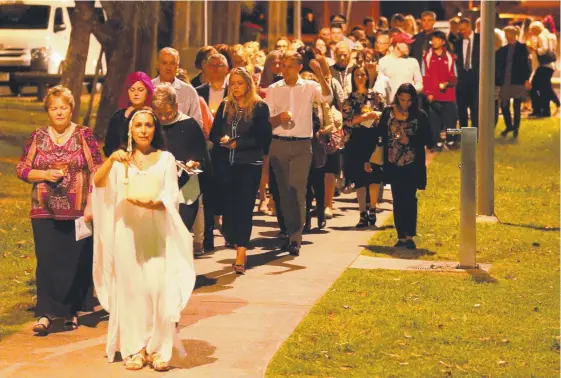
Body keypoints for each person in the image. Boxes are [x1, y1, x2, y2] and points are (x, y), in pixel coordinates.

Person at [92, 109, 195, 372]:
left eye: (148, 125)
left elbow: (172, 197)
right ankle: (134, 348)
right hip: (127, 232)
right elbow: (99, 183)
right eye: (138, 125)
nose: (143, 130)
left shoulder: (166, 159)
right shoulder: (121, 160)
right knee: (132, 291)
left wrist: (154, 203)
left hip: (156, 233)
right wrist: (110, 161)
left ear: (155, 129)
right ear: (130, 130)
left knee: (158, 290)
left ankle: (160, 348)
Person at [16, 85, 102, 335]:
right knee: (47, 260)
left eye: (63, 107)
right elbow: (22, 168)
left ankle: (71, 311)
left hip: (77, 211)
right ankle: (45, 313)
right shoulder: (37, 137)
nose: (59, 112)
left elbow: (98, 168)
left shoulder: (84, 135)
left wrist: (92, 201)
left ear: (71, 109)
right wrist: (43, 174)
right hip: (44, 210)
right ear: (48, 111)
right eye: (54, 108)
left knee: (74, 260)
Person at [266, 51, 333, 255]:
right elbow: (267, 119)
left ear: (299, 67)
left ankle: (296, 236)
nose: (284, 70)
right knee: (284, 192)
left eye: (288, 66)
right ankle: (288, 231)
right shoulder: (273, 89)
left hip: (302, 145)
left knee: (297, 189)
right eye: (282, 66)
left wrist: (320, 74)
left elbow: (328, 97)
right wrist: (280, 118)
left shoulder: (310, 86)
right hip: (279, 143)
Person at [209, 67, 272, 274]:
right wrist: (222, 140)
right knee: (229, 210)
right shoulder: (225, 106)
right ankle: (234, 237)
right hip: (226, 164)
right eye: (233, 83)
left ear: (248, 84)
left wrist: (240, 144)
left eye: (239, 83)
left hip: (249, 165)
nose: (236, 87)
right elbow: (213, 134)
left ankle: (241, 255)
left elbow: (264, 139)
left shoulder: (259, 107)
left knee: (244, 209)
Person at [378, 83, 431, 249]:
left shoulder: (419, 115)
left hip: (412, 163)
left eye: (408, 100)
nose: (405, 103)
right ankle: (401, 235)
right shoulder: (388, 113)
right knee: (397, 198)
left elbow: (428, 138)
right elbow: (379, 135)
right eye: (402, 99)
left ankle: (409, 235)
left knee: (409, 198)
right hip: (393, 162)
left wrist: (410, 140)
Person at [152, 83, 210, 232]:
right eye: (159, 114)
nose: (164, 118)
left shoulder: (189, 125)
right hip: (158, 189)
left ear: (176, 106)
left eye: (168, 113)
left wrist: (195, 163)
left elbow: (202, 156)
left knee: (180, 234)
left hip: (186, 190)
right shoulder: (151, 125)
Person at [342, 66, 383, 228]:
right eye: (357, 75)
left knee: (373, 177)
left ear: (368, 76)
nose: (360, 77)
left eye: (363, 74)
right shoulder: (350, 99)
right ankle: (362, 213)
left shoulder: (376, 96)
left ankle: (372, 209)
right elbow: (347, 121)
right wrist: (364, 117)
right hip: (356, 140)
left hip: (373, 139)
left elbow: (385, 115)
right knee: (359, 178)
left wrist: (375, 115)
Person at [421, 30, 458, 151]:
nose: (434, 41)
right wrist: (429, 93)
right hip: (433, 96)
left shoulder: (449, 56)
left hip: (449, 96)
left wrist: (447, 84)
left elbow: (454, 77)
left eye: (437, 39)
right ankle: (437, 143)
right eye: (433, 39)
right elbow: (424, 76)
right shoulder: (427, 56)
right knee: (434, 121)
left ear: (443, 42)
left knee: (451, 119)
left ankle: (451, 141)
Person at [103, 72, 154, 157]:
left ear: (148, 92)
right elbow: (109, 148)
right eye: (132, 89)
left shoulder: (154, 116)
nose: (136, 93)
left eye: (140, 90)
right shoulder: (117, 117)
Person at [496, 26, 532, 138]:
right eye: (506, 34)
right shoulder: (502, 50)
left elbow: (527, 65)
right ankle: (509, 125)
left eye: (509, 33)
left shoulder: (522, 48)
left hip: (518, 80)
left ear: (514, 34)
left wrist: (527, 79)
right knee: (504, 105)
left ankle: (516, 128)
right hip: (506, 81)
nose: (507, 36)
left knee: (517, 105)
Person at [153, 47, 202, 126]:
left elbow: (197, 123)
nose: (168, 67)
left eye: (172, 63)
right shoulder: (149, 87)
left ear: (178, 66)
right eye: (164, 63)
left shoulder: (189, 91)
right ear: (158, 65)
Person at [374, 32, 423, 105]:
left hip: (409, 105)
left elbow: (419, 83)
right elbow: (379, 84)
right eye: (407, 44)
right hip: (390, 105)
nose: (409, 47)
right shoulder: (383, 61)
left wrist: (410, 91)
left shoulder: (413, 62)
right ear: (398, 44)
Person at [528, 21, 560, 118]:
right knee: (545, 87)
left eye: (532, 31)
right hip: (550, 66)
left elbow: (544, 49)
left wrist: (534, 49)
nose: (531, 33)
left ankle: (539, 110)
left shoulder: (541, 37)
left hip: (544, 65)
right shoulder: (550, 36)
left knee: (534, 86)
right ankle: (544, 110)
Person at [454, 18, 480, 129]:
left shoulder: (481, 40)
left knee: (475, 108)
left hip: (476, 79)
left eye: (464, 29)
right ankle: (464, 134)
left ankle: (476, 133)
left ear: (470, 27)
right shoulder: (457, 43)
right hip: (462, 80)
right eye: (460, 30)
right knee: (462, 108)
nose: (462, 32)